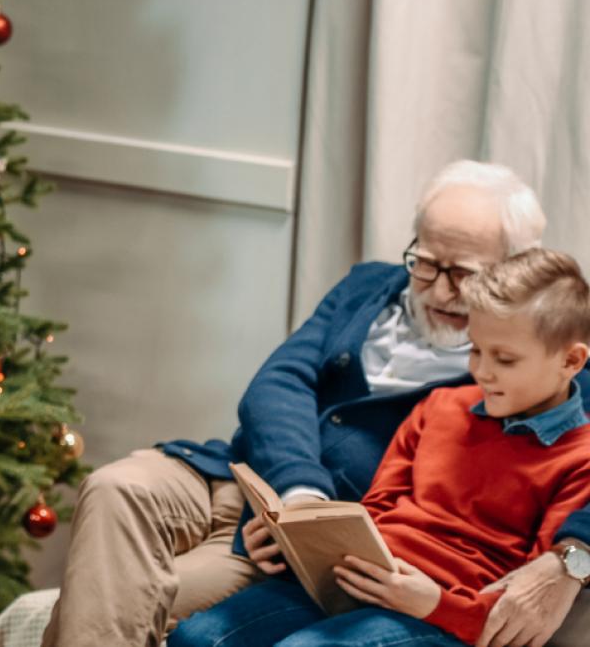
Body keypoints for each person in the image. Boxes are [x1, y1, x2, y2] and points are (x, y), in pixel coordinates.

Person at [43, 161, 589, 647]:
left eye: (463, 273)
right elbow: (280, 380)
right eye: (426, 262)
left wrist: (573, 558)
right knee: (116, 485)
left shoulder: (539, 352)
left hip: (300, 544)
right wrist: (298, 491)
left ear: (512, 270)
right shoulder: (370, 287)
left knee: (151, 617)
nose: (440, 289)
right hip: (251, 480)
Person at [172, 248, 590, 646]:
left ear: (571, 361)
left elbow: (524, 602)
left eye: (505, 359)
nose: (481, 371)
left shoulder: (579, 459)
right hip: (361, 580)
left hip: (440, 614)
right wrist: (298, 539)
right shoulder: (439, 405)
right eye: (475, 350)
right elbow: (376, 509)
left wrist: (433, 604)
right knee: (197, 637)